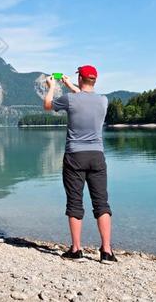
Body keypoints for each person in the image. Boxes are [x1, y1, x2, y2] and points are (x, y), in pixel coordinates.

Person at [43, 65, 117, 264]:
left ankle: (76, 250)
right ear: (94, 80)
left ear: (81, 78)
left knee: (75, 202)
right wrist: (69, 84)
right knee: (101, 203)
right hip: (97, 156)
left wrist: (52, 86)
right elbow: (85, 97)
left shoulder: (70, 99)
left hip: (75, 156)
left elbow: (48, 105)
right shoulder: (103, 100)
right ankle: (107, 252)